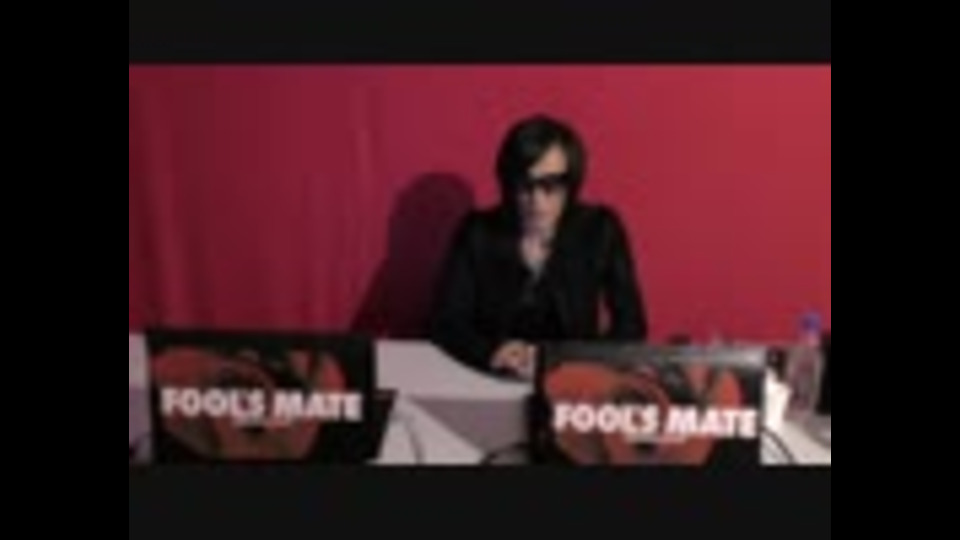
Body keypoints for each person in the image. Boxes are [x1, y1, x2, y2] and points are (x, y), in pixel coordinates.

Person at [428, 114, 648, 379]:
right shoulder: (478, 232)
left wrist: (573, 361)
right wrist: (490, 351)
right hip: (491, 377)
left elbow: (631, 325)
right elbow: (446, 321)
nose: (537, 200)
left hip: (572, 380)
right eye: (525, 185)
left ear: (572, 183)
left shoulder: (600, 230)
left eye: (551, 185)